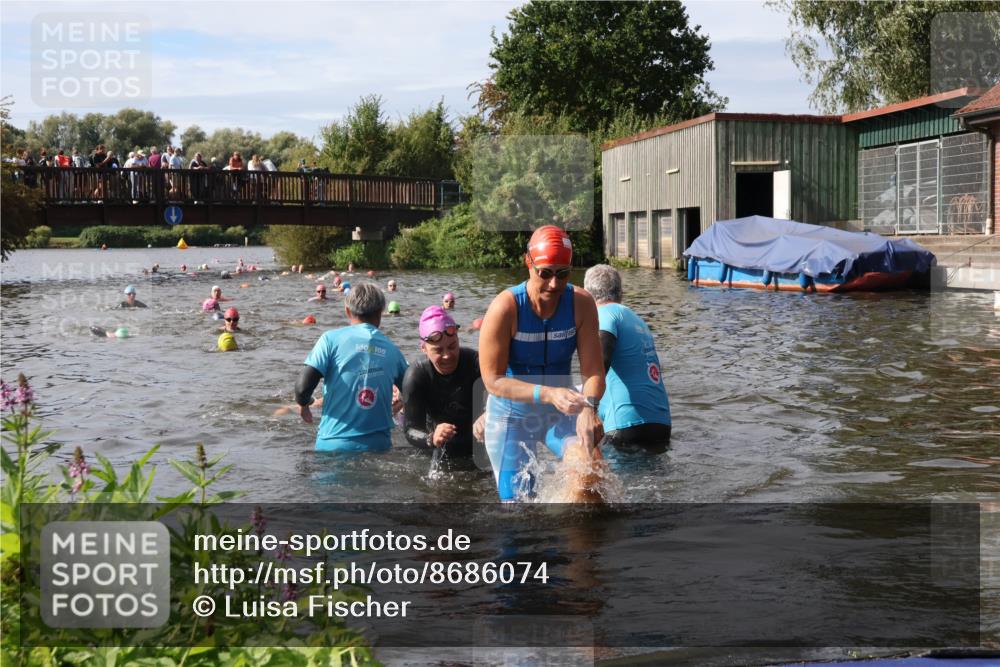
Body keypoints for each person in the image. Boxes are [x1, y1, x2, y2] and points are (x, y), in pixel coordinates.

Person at [479, 225, 605, 502]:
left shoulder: (581, 303)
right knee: (518, 510)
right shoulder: (506, 307)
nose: (554, 284)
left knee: (591, 476)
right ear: (528, 263)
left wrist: (589, 409)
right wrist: (548, 393)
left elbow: (594, 371)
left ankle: (576, 541)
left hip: (559, 411)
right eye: (545, 273)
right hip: (511, 415)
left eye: (563, 274)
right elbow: (492, 381)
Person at [295, 282, 408, 452]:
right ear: (380, 313)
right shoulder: (393, 350)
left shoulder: (329, 340)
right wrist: (396, 408)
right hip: (378, 448)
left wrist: (305, 405)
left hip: (332, 446)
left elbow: (302, 388)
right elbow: (413, 392)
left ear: (347, 311)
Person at [583, 265, 671, 453]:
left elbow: (601, 360)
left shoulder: (603, 315)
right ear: (620, 293)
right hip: (660, 423)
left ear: (587, 295)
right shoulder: (638, 320)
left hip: (625, 423)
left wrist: (589, 409)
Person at [401, 306, 483, 459]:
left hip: (476, 445)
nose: (447, 356)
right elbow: (410, 429)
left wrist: (488, 414)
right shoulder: (416, 375)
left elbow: (502, 397)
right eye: (438, 350)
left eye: (452, 346)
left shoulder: (475, 363)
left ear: (458, 339)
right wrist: (431, 438)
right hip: (440, 449)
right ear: (424, 349)